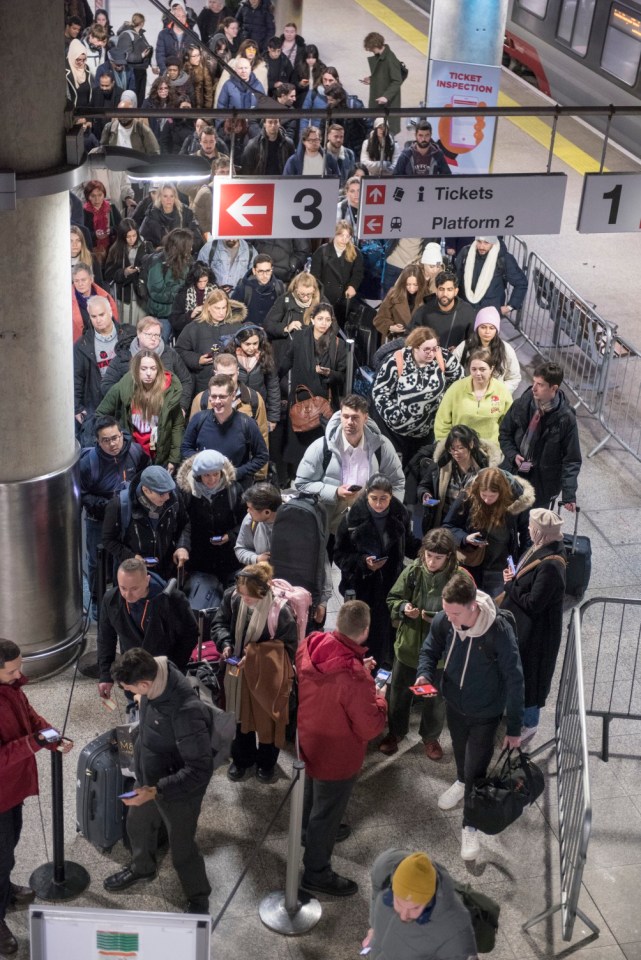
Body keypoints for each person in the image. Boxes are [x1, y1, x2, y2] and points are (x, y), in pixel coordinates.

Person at [416, 571, 524, 861]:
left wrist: (514, 728)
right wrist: (425, 675)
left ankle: (470, 825)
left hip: (486, 712)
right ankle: (462, 782)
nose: (448, 618)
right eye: (446, 611)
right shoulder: (445, 620)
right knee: (462, 752)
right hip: (455, 704)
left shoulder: (498, 632)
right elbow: (430, 648)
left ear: (473, 606)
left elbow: (515, 679)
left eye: (454, 613)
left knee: (477, 765)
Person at [103, 648, 212, 914]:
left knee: (182, 846)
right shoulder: (158, 669)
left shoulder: (186, 712)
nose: (130, 693)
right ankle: (142, 868)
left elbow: (199, 770)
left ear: (144, 683)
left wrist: (155, 790)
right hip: (148, 779)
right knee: (137, 824)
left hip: (176, 791)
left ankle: (198, 897)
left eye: (130, 689)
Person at [297, 600, 387, 896]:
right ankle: (316, 872)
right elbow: (370, 727)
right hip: (338, 752)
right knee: (328, 810)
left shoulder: (312, 643)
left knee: (312, 789)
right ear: (365, 630)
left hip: (310, 737)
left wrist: (360, 670)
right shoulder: (356, 678)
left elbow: (330, 678)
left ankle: (306, 833)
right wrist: (379, 695)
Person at [0, 641, 73, 957]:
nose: (20, 673)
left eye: (20, 666)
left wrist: (51, 735)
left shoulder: (11, 686)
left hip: (11, 788)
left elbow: (28, 715)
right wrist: (35, 742)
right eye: (13, 669)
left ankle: (5, 889)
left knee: (10, 844)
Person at [211, 562, 296, 782]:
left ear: (263, 590)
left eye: (249, 596)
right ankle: (242, 760)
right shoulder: (233, 597)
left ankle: (266, 764)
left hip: (267, 677)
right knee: (240, 719)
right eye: (242, 593)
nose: (244, 599)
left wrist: (256, 656)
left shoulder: (282, 611)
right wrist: (225, 644)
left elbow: (289, 649)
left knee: (268, 719)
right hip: (237, 673)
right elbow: (219, 623)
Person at [382, 529, 459, 759]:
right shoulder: (413, 572)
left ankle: (430, 737)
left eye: (438, 557)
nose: (431, 561)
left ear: (449, 557)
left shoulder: (458, 578)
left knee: (434, 698)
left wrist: (436, 618)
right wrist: (404, 608)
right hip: (408, 648)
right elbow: (392, 599)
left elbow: (466, 613)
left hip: (439, 654)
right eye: (428, 555)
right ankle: (396, 732)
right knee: (399, 694)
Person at [334, 475, 416, 669]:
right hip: (362, 587)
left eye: (384, 499)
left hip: (391, 584)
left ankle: (383, 671)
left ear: (391, 497)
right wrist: (363, 562)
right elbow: (339, 555)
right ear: (367, 496)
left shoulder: (400, 515)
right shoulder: (350, 519)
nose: (379, 504)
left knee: (386, 633)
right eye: (374, 498)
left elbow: (409, 543)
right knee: (363, 635)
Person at [295, 394, 405, 536]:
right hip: (330, 524)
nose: (349, 422)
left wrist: (390, 512)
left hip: (368, 524)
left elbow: (397, 482)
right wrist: (335, 492)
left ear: (365, 418)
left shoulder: (381, 446)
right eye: (345, 416)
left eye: (355, 417)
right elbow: (302, 483)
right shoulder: (321, 447)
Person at [501, 507, 566, 743]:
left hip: (537, 635)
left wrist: (511, 586)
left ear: (540, 532)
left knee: (531, 677)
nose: (528, 530)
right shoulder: (542, 548)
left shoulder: (551, 565)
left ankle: (529, 723)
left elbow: (534, 603)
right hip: (526, 628)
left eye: (531, 527)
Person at [80, 416, 149, 617]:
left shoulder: (135, 452)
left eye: (115, 438)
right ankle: (96, 600)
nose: (112, 444)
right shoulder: (88, 463)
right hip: (98, 520)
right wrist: (106, 506)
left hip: (127, 519)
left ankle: (122, 600)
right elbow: (81, 494)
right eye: (106, 440)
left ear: (121, 434)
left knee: (124, 558)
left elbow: (146, 474)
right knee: (96, 561)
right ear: (98, 442)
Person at [97, 557, 197, 696]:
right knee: (136, 711)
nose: (128, 594)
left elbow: (190, 634)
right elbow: (106, 638)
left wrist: (173, 668)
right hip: (132, 673)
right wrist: (105, 675)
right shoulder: (111, 599)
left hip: (164, 673)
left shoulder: (172, 599)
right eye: (123, 588)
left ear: (147, 579)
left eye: (134, 588)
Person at [364, 849, 476, 960]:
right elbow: (377, 892)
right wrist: (374, 927)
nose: (404, 915)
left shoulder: (455, 932)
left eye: (415, 908)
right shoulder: (384, 869)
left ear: (428, 901)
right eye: (398, 902)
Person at [499, 361, 582, 510]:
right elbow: (505, 433)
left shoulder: (566, 419)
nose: (534, 388)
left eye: (540, 384)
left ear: (554, 388)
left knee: (533, 529)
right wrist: (513, 454)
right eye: (534, 382)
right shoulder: (522, 404)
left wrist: (569, 495)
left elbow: (571, 459)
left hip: (542, 485)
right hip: (513, 474)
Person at [372, 327, 462, 463]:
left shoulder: (442, 357)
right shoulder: (396, 361)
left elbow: (459, 381)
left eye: (435, 348)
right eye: (427, 349)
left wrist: (443, 403)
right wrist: (395, 416)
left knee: (418, 472)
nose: (431, 353)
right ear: (415, 347)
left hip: (426, 434)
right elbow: (380, 392)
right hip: (396, 434)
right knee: (394, 470)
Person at [444, 466, 534, 597]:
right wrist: (465, 539)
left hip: (501, 567)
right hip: (472, 564)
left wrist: (519, 565)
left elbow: (527, 535)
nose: (487, 500)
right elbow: (448, 525)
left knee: (496, 607)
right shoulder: (468, 496)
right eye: (483, 495)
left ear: (502, 492)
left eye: (492, 496)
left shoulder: (517, 501)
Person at [281, 302, 347, 472]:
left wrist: (329, 373)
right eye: (320, 319)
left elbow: (343, 376)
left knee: (320, 446)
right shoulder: (299, 338)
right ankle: (297, 477)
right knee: (298, 446)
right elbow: (284, 365)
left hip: (324, 405)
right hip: (300, 401)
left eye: (327, 319)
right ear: (311, 319)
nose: (324, 323)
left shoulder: (338, 344)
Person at [96, 352, 185, 472]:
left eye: (153, 368)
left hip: (160, 456)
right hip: (131, 456)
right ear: (136, 369)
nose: (148, 373)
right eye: (143, 369)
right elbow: (100, 415)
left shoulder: (169, 391)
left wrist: (174, 459)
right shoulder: (123, 387)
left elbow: (177, 426)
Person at [102, 464, 190, 582]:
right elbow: (108, 540)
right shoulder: (118, 505)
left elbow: (184, 524)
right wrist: (132, 557)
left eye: (169, 491)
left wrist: (182, 546)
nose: (167, 497)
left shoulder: (174, 497)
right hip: (132, 573)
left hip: (165, 571)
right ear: (146, 490)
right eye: (161, 494)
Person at [181, 374, 269, 486]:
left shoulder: (247, 423)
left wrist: (236, 473)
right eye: (213, 396)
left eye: (222, 397)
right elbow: (185, 448)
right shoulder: (199, 419)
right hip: (204, 486)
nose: (217, 401)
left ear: (232, 396)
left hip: (235, 487)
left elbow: (262, 456)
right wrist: (204, 463)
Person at [100, 315, 193, 415]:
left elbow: (186, 381)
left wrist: (182, 406)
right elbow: (107, 385)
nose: (153, 339)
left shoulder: (170, 354)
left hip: (165, 413)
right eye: (149, 334)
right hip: (131, 415)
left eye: (157, 335)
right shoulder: (124, 356)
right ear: (138, 333)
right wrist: (128, 400)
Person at [176, 450, 245, 585]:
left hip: (229, 557)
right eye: (206, 475)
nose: (212, 479)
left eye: (216, 474)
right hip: (199, 558)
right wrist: (183, 546)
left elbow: (245, 521)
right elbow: (184, 523)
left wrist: (230, 536)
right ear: (198, 475)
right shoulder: (187, 492)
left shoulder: (234, 490)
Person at [417, 424, 502, 533]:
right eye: (452, 449)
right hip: (442, 522)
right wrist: (425, 495)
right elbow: (424, 486)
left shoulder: (485, 467)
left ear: (470, 444)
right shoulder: (441, 464)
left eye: (461, 447)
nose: (456, 452)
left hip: (471, 524)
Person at [74, 296, 135, 442]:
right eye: (93, 316)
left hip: (127, 401)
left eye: (101, 315)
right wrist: (77, 408)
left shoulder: (129, 335)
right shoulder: (82, 344)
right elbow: (76, 378)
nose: (98, 320)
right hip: (96, 403)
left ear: (110, 312)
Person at [176, 289, 248, 395]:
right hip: (204, 382)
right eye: (217, 308)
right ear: (208, 307)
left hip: (231, 382)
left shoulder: (236, 326)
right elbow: (179, 350)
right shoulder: (194, 327)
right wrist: (197, 360)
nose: (221, 312)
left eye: (224, 308)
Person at [434, 347, 512, 444]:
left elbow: (509, 423)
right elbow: (442, 420)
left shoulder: (502, 390)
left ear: (491, 369)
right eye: (474, 369)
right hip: (459, 448)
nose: (478, 373)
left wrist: (502, 446)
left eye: (482, 369)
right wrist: (445, 444)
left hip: (490, 448)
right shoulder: (456, 388)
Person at [453, 306, 521, 394]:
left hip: (494, 401)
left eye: (492, 328)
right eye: (483, 327)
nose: (487, 331)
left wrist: (497, 392)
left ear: (496, 330)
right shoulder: (465, 346)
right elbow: (452, 370)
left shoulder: (506, 349)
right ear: (477, 328)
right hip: (468, 395)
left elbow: (514, 378)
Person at [456, 236, 528, 315]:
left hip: (490, 311)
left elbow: (521, 283)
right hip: (465, 308)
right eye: (479, 242)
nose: (481, 246)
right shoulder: (466, 252)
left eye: (486, 243)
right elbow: (456, 278)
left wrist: (509, 307)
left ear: (493, 243)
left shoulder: (504, 258)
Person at [145, 228, 195, 341]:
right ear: (180, 246)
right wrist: (181, 293)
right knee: (159, 346)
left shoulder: (188, 261)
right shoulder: (157, 262)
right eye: (188, 246)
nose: (191, 249)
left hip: (182, 314)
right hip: (163, 316)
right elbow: (156, 292)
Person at [103, 219, 153, 327]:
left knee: (142, 327)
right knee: (126, 328)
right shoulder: (115, 249)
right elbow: (108, 273)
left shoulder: (146, 246)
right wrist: (124, 272)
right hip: (125, 296)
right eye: (128, 237)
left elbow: (153, 267)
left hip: (142, 296)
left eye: (134, 235)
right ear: (122, 237)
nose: (132, 239)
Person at [228, 325, 280, 428]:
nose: (252, 347)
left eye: (255, 343)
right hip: (234, 408)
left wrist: (273, 417)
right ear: (239, 342)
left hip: (258, 408)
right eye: (247, 344)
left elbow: (273, 387)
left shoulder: (265, 356)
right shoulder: (230, 356)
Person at [409, 270, 476, 348]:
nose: (445, 294)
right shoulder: (424, 311)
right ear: (436, 291)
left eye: (449, 289)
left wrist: (459, 350)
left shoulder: (467, 312)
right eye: (441, 289)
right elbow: (410, 337)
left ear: (456, 291)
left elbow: (473, 341)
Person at [310, 221, 364, 317]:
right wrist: (318, 295)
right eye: (341, 235)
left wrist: (353, 286)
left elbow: (358, 273)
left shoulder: (356, 253)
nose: (344, 239)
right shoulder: (322, 251)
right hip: (325, 297)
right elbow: (314, 276)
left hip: (345, 298)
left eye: (348, 236)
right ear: (334, 235)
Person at [362, 32, 403, 136]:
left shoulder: (390, 59)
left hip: (387, 104)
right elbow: (384, 76)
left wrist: (386, 96)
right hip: (380, 102)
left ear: (376, 45)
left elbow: (397, 80)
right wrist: (372, 79)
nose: (371, 51)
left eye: (371, 48)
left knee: (387, 134)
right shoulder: (381, 57)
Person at [374, 265, 427, 341]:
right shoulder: (393, 294)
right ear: (403, 282)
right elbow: (379, 319)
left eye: (415, 285)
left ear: (421, 283)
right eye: (408, 284)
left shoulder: (427, 297)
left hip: (418, 342)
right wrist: (391, 327)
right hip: (395, 340)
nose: (412, 288)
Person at [231, 254, 285, 328]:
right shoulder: (243, 287)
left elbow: (284, 312)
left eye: (268, 271)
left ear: (272, 270)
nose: (265, 275)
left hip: (272, 335)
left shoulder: (279, 286)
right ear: (254, 271)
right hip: (249, 334)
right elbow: (233, 313)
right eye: (260, 271)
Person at [140, 185, 201, 252]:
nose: (169, 200)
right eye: (165, 196)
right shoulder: (151, 215)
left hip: (182, 255)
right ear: (160, 197)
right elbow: (143, 240)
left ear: (175, 197)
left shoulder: (186, 213)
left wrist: (185, 247)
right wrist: (156, 250)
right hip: (159, 257)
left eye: (171, 196)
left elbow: (197, 239)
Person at [234, 482, 282, 566]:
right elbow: (240, 548)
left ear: (267, 512)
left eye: (250, 508)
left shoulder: (289, 524)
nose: (248, 511)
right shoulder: (250, 520)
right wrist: (256, 559)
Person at [71, 262, 118, 342]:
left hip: (103, 341)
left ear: (91, 279)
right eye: (76, 281)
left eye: (83, 280)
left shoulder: (105, 297)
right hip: (77, 345)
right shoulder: (66, 300)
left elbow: (115, 321)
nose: (80, 284)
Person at [114, 13, 154, 108]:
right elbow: (125, 55)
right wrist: (141, 55)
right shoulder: (126, 35)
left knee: (140, 100)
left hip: (141, 70)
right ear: (142, 23)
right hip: (132, 71)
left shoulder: (140, 34)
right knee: (132, 98)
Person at [170, 262, 218, 338]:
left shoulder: (217, 292)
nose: (202, 284)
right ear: (193, 280)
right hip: (189, 335)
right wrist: (191, 314)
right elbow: (175, 322)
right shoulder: (183, 294)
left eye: (205, 281)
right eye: (199, 282)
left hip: (213, 333)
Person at [82, 179, 121, 265]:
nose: (97, 199)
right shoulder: (84, 212)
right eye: (93, 196)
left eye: (100, 195)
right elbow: (81, 233)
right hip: (90, 253)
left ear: (104, 194)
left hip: (111, 251)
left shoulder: (111, 208)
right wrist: (94, 235)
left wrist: (110, 230)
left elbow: (121, 226)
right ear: (87, 196)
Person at [183, 44, 214, 109]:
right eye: (194, 56)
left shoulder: (203, 69)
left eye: (198, 55)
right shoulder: (183, 70)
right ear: (187, 57)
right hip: (187, 105)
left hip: (201, 105)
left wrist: (207, 109)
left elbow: (208, 91)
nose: (198, 58)